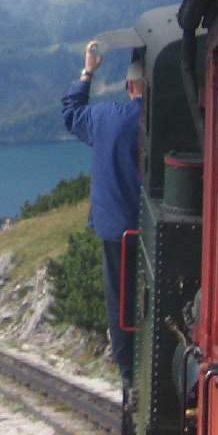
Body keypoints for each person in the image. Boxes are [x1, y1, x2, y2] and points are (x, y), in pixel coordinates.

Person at [60, 40, 143, 390]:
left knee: (120, 303)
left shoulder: (108, 118)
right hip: (162, 233)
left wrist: (88, 71)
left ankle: (128, 376)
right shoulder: (175, 121)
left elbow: (72, 112)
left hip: (118, 232)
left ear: (130, 87)